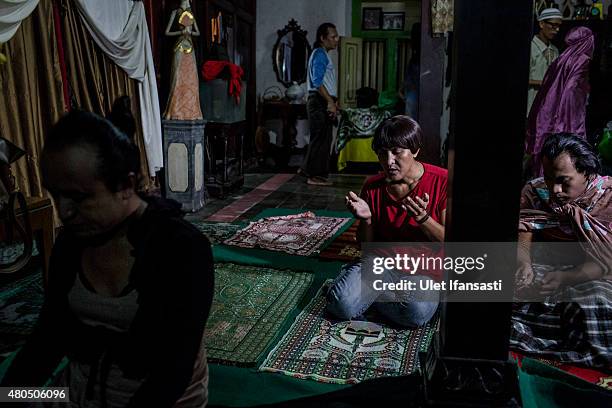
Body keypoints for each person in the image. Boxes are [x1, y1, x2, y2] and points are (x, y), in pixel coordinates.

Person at [1, 111, 214, 407]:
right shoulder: (71, 243)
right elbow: (47, 339)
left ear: (126, 186)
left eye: (78, 198)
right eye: (56, 196)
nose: (64, 212)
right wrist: (9, 395)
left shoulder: (182, 248)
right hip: (72, 394)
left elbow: (171, 374)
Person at [326, 116, 447, 327]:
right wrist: (367, 219)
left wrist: (424, 219)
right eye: (382, 153)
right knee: (341, 305)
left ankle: (363, 294)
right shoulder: (373, 186)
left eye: (397, 151)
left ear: (415, 150)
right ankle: (362, 293)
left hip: (424, 270)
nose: (389, 161)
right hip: (381, 264)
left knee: (416, 312)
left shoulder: (442, 181)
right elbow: (366, 248)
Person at [512, 133, 612, 369]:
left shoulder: (607, 199)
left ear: (586, 173)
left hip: (594, 273)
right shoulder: (536, 192)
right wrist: (524, 263)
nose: (554, 189)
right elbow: (523, 227)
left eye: (563, 181)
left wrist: (568, 278)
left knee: (597, 303)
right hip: (544, 264)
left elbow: (607, 259)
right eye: (548, 178)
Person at [526, 26, 595, 178]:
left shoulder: (562, 57)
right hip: (567, 114)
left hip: (549, 111)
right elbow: (572, 90)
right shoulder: (582, 59)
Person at [299, 22, 339, 186]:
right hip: (319, 100)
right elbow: (317, 82)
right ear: (322, 38)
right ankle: (315, 176)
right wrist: (329, 101)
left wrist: (333, 101)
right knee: (321, 139)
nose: (336, 40)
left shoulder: (322, 54)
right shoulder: (320, 54)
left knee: (322, 137)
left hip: (322, 99)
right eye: (333, 36)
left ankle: (307, 169)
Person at [164, 0, 203, 120]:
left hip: (190, 50)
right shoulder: (175, 12)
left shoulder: (191, 13)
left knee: (191, 80)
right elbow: (167, 32)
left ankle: (192, 112)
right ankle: (175, 111)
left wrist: (191, 32)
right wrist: (180, 32)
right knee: (177, 78)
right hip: (179, 48)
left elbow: (198, 32)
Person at [526, 8, 562, 115]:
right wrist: (543, 83)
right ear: (541, 24)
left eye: (559, 26)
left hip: (548, 108)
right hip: (531, 106)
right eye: (553, 25)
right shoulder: (530, 47)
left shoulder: (555, 50)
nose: (557, 30)